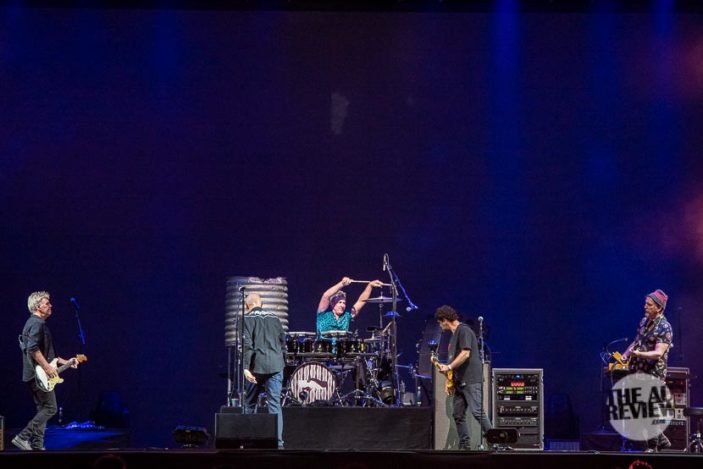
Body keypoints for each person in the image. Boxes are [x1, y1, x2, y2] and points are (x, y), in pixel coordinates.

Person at [14, 291, 78, 451]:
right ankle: (22, 437)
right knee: (51, 408)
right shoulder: (37, 324)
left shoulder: (33, 323)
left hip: (33, 374)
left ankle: (37, 445)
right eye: (47, 303)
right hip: (38, 374)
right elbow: (32, 348)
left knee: (42, 409)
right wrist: (47, 367)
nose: (51, 305)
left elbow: (50, 355)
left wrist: (67, 362)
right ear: (38, 306)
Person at [622, 289, 674, 452]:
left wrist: (638, 354)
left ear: (659, 308)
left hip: (653, 372)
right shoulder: (644, 321)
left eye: (649, 305)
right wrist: (626, 354)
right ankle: (661, 440)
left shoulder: (665, 327)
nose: (645, 307)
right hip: (638, 370)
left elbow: (658, 353)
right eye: (645, 303)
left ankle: (652, 446)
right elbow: (636, 342)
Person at [435, 305, 492, 450]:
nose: (440, 326)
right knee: (458, 414)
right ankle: (465, 445)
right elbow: (454, 362)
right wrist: (449, 380)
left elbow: (466, 354)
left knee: (477, 411)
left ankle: (497, 442)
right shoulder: (454, 336)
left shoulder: (464, 330)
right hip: (460, 381)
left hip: (471, 379)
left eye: (440, 322)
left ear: (445, 320)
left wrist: (449, 367)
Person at [242, 293, 286, 449]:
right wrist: (282, 362)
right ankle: (278, 443)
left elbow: (247, 345)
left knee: (250, 404)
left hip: (256, 367)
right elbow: (283, 342)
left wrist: (245, 367)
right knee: (275, 405)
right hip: (276, 365)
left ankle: (248, 440)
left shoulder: (246, 318)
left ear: (247, 306)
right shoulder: (275, 318)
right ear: (261, 303)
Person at [316, 277, 383, 334]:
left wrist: (370, 286)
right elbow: (325, 296)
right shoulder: (322, 315)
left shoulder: (346, 316)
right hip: (323, 345)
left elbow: (360, 301)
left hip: (342, 345)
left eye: (344, 303)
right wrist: (342, 284)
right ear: (332, 303)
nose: (342, 305)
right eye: (340, 302)